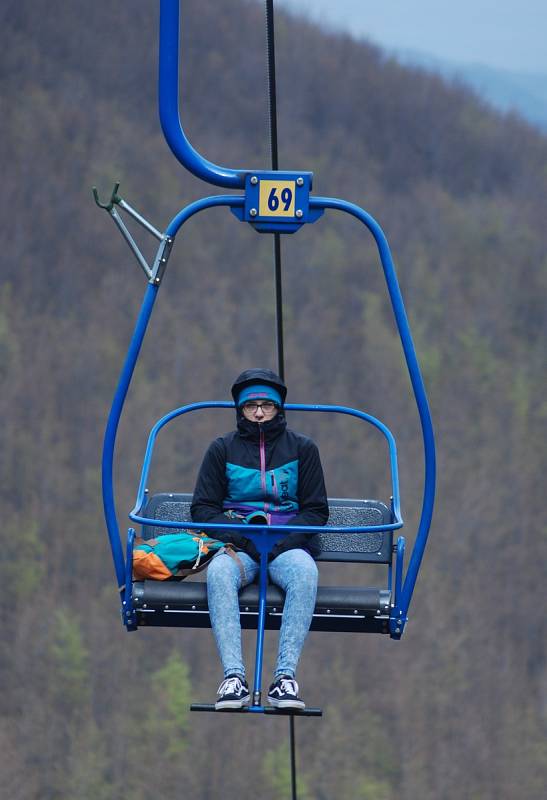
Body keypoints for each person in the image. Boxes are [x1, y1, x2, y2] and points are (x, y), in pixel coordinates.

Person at [191, 368, 328, 710]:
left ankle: (285, 677)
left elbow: (315, 510)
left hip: (286, 544)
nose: (259, 413)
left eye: (267, 405)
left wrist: (284, 542)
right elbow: (204, 508)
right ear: (240, 409)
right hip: (241, 545)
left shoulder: (303, 450)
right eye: (251, 406)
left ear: (279, 408)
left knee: (305, 574)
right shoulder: (222, 449)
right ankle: (233, 677)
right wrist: (242, 538)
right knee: (220, 573)